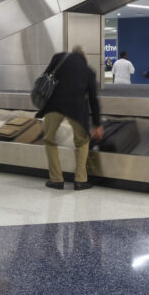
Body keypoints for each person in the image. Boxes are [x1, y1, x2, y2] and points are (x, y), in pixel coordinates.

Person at [37, 46, 103, 191]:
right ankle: (80, 180)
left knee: (49, 139)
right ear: (84, 58)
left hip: (54, 105)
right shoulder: (89, 71)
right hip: (77, 109)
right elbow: (93, 99)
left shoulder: (59, 58)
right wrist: (98, 124)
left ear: (72, 53)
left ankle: (56, 180)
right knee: (82, 142)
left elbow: (46, 75)